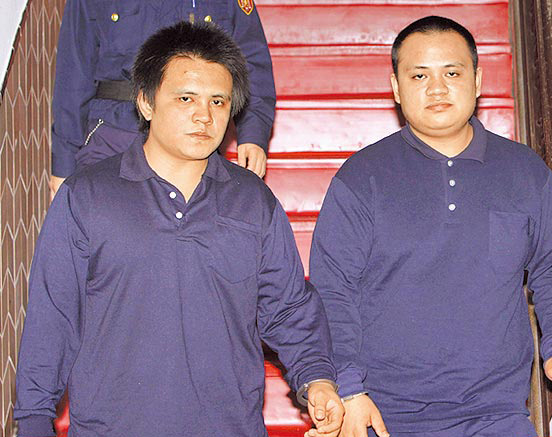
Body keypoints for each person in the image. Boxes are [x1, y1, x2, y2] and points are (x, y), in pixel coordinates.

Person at [15, 22, 342, 437]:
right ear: (146, 102)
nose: (204, 116)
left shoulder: (253, 201)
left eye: (218, 101)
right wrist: (34, 419)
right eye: (186, 98)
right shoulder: (87, 196)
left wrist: (318, 380)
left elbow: (289, 308)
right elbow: (53, 319)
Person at [309, 15, 552, 437]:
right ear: (396, 87)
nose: (437, 88)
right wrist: (348, 387)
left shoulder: (524, 172)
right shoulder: (362, 178)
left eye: (452, 73)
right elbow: (332, 290)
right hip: (381, 414)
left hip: (496, 415)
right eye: (419, 75)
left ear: (478, 80)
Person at [49, 0, 275, 200]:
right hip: (114, 133)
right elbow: (74, 73)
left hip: (191, 145)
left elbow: (250, 62)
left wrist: (253, 134)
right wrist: (63, 165)